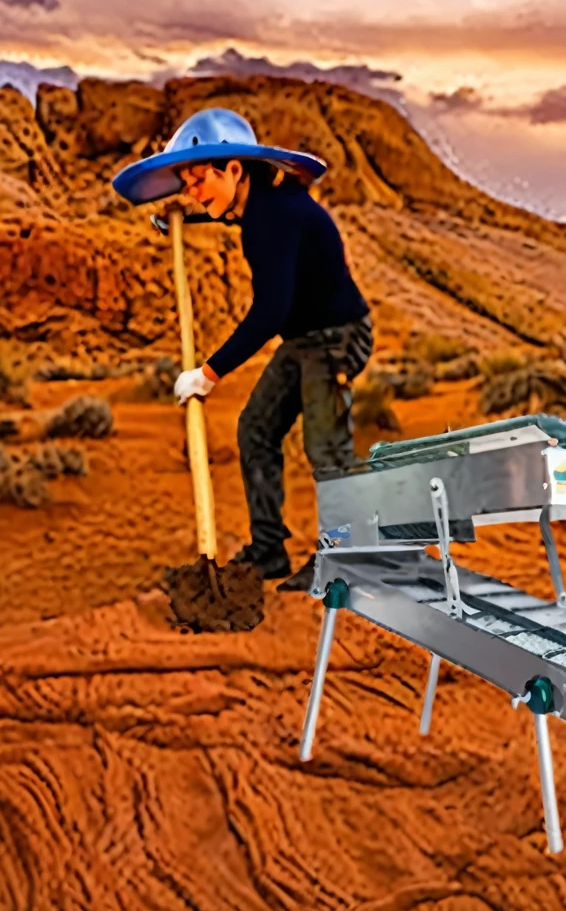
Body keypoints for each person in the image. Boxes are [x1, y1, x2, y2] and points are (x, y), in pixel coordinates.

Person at [112, 108, 372, 584]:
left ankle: (344, 562)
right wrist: (181, 223)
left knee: (325, 445)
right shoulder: (261, 206)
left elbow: (269, 312)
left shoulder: (276, 214)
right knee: (256, 429)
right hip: (304, 339)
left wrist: (208, 374)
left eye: (197, 180)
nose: (191, 192)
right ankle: (269, 552)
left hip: (338, 336)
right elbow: (231, 220)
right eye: (186, 185)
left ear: (233, 169)